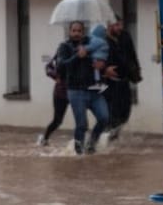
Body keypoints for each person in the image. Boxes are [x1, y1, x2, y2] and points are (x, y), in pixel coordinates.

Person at [50, 20, 110, 153]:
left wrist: (102, 65)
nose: (76, 33)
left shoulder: (91, 43)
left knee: (104, 118)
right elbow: (61, 66)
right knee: (82, 125)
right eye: (74, 31)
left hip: (94, 89)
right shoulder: (64, 47)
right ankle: (78, 154)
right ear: (70, 32)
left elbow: (102, 58)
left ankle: (91, 144)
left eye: (79, 31)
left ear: (83, 32)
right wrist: (78, 56)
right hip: (75, 91)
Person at [101, 18, 142, 140]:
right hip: (107, 82)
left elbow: (132, 53)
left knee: (125, 111)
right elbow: (94, 61)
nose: (119, 28)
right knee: (111, 111)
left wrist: (136, 69)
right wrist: (104, 71)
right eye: (116, 25)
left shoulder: (125, 36)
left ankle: (113, 134)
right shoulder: (102, 40)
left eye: (121, 25)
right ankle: (105, 138)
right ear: (109, 26)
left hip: (124, 79)